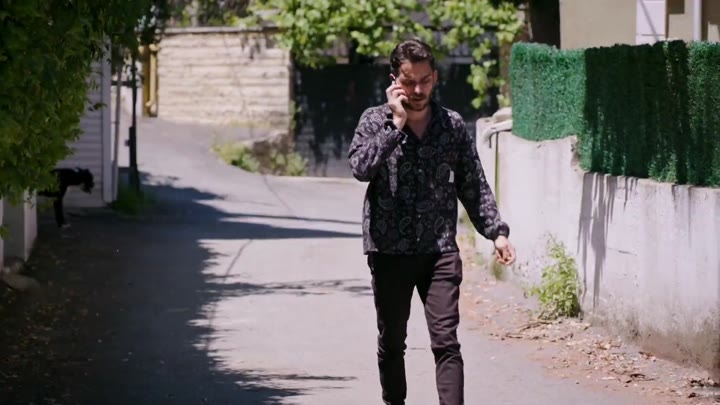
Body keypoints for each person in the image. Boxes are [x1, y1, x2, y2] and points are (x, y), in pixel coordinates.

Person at [347, 38, 517, 405]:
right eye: (409, 82)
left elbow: (473, 183)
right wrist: (395, 125)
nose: (418, 90)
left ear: (435, 77)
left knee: (446, 342)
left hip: (439, 250)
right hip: (389, 250)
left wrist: (496, 232)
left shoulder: (451, 125)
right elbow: (361, 168)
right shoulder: (374, 120)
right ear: (394, 81)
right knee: (392, 341)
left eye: (425, 80)